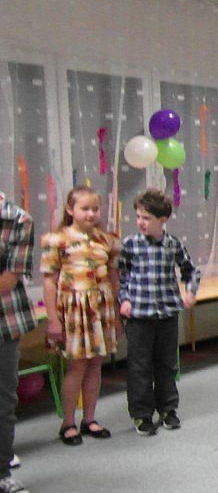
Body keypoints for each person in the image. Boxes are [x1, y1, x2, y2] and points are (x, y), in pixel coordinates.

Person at [41, 186, 121, 445]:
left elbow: (113, 279)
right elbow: (49, 282)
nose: (91, 214)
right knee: (77, 367)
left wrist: (116, 315)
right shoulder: (57, 240)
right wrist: (53, 319)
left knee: (96, 364)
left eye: (95, 209)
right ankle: (68, 423)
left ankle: (89, 418)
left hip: (101, 309)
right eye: (85, 208)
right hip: (75, 310)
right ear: (70, 209)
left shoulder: (107, 240)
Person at [118, 189, 201, 436]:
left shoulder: (173, 244)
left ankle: (168, 409)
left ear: (162, 220)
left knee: (167, 364)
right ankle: (142, 414)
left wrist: (191, 292)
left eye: (146, 218)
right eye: (138, 217)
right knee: (139, 366)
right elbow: (121, 276)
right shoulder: (130, 245)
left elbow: (191, 271)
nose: (140, 222)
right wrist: (124, 299)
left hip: (166, 313)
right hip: (139, 315)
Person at [0, 191, 35, 493]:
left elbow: (7, 281)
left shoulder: (18, 220)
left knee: (3, 400)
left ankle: (2, 474)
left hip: (4, 323)